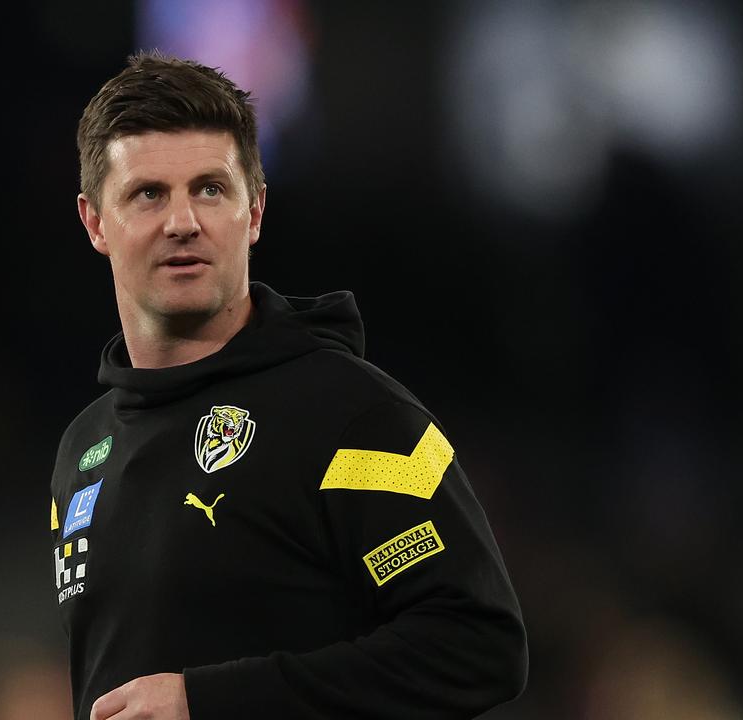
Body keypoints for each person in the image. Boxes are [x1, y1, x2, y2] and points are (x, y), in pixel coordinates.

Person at [50, 53, 528, 720]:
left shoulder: (353, 416)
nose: (183, 220)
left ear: (255, 212)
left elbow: (479, 643)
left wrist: (210, 702)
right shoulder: (83, 448)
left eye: (211, 189)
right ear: (95, 221)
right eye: (148, 193)